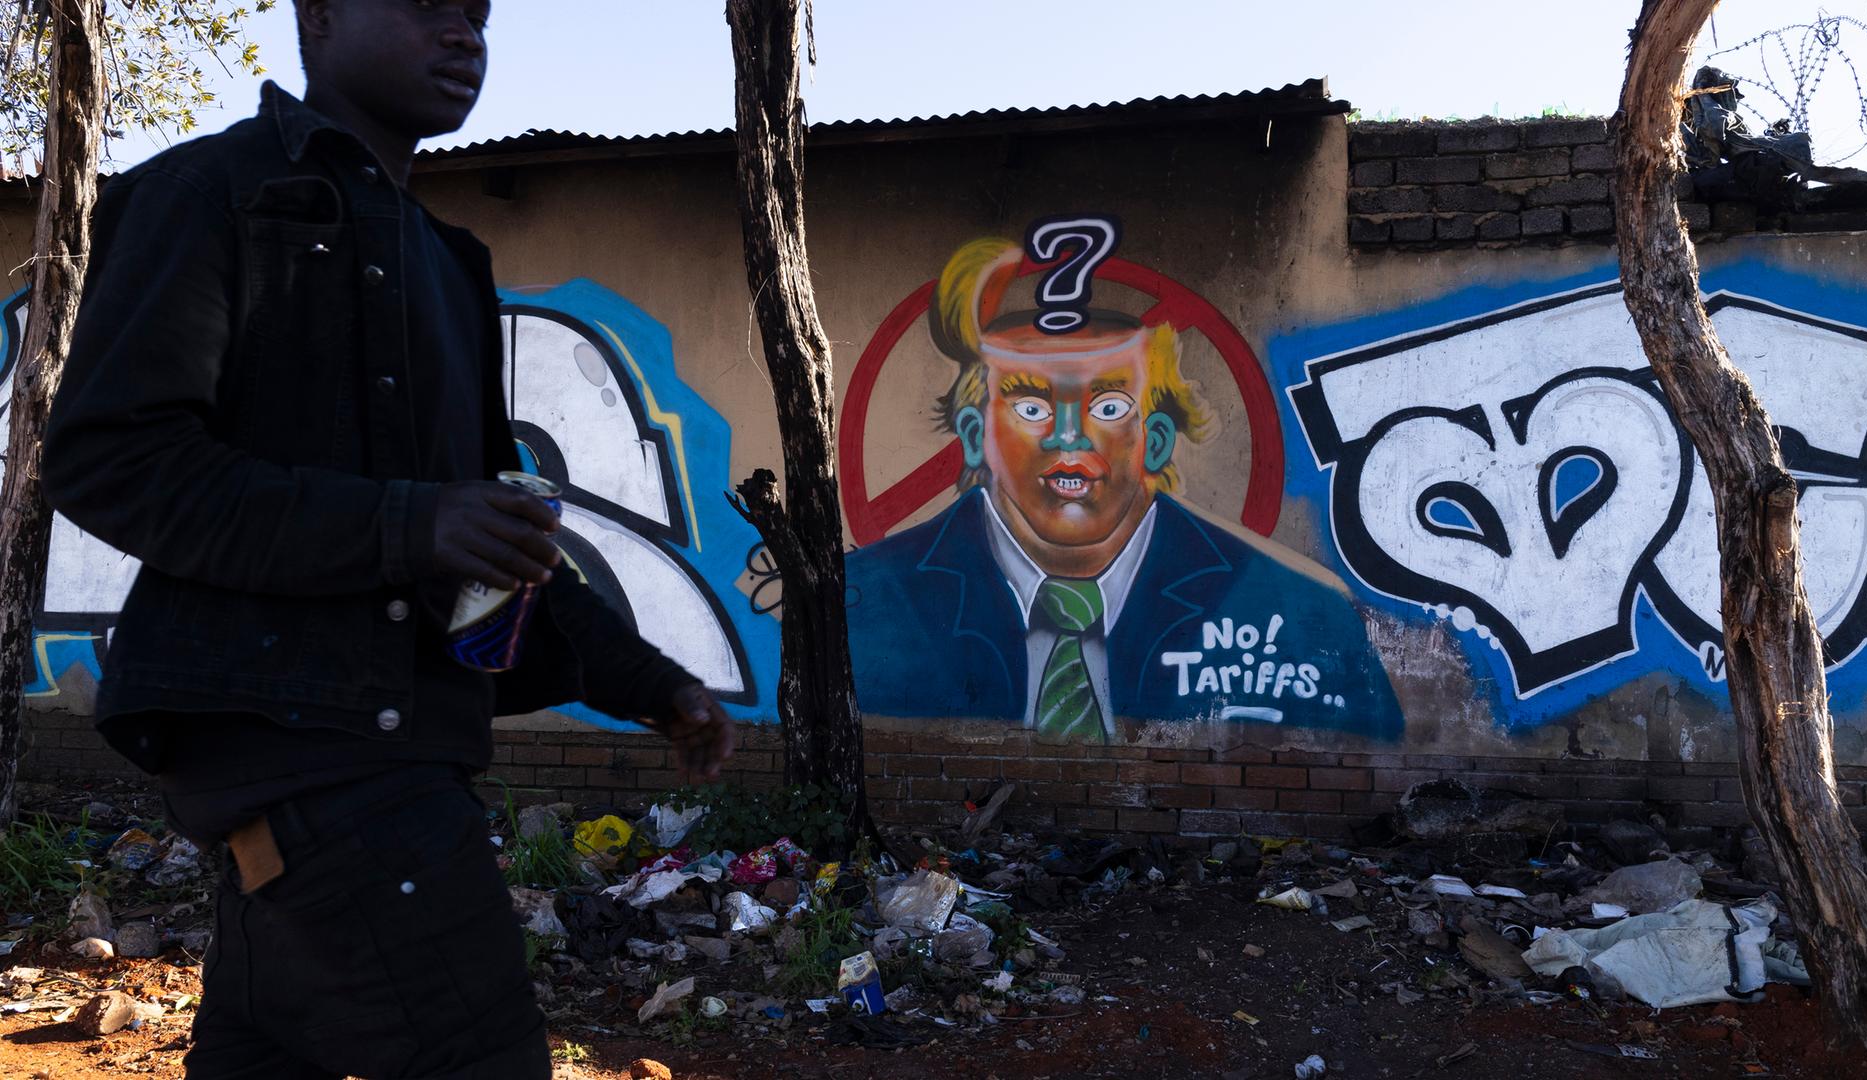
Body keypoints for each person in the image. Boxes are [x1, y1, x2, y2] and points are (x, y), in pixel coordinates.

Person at [44, 1, 734, 1074]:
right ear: (317, 18)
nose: (463, 33)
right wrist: (413, 523)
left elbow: (493, 536)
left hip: (344, 793)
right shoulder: (210, 195)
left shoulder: (445, 262)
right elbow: (111, 460)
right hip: (334, 776)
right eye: (426, 6)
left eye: (479, 13)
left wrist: (649, 680)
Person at [846, 237, 1402, 742]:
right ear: (976, 437)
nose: (1069, 437)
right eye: (1032, 407)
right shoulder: (865, 605)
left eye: (1108, 407)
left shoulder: (1308, 617)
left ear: (1156, 442)